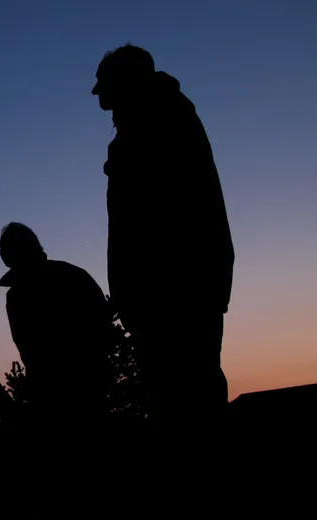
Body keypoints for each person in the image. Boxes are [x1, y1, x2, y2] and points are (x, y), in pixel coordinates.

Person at [91, 44, 235, 439]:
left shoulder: (156, 119)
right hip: (170, 288)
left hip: (174, 289)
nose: (95, 93)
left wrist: (133, 288)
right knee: (180, 395)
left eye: (102, 83)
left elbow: (153, 218)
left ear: (124, 79)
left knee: (186, 398)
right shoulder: (153, 117)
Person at [0, 222, 112, 433]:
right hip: (76, 386)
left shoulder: (20, 293)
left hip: (70, 390)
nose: (2, 254)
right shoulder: (74, 274)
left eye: (3, 248)